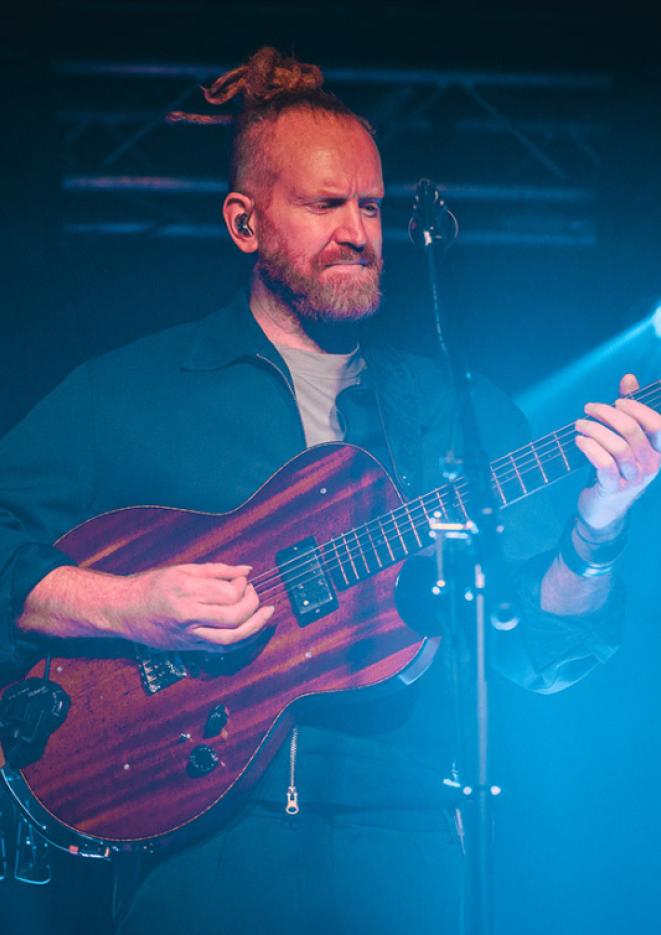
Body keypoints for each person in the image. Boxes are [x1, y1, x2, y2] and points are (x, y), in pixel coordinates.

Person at [0, 47, 659, 934]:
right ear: (244, 222)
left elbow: (538, 655)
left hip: (412, 850)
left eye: (372, 205)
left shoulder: (452, 414)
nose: (358, 229)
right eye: (325, 204)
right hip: (197, 854)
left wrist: (599, 527)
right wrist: (128, 604)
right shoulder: (128, 392)